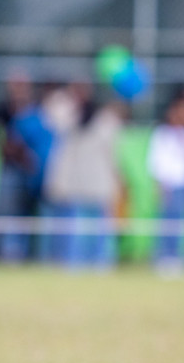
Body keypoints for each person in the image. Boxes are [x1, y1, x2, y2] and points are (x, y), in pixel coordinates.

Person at [43, 94, 127, 270]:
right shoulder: (74, 124)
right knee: (80, 233)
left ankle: (89, 264)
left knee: (91, 232)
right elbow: (51, 109)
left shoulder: (98, 125)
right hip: (84, 188)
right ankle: (85, 264)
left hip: (91, 188)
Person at [0, 73, 53, 261]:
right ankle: (9, 255)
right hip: (12, 172)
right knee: (10, 215)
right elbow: (2, 142)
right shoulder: (2, 111)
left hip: (35, 174)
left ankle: (36, 255)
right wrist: (21, 154)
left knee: (35, 217)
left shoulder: (37, 112)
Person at [147, 91, 184, 271]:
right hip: (169, 185)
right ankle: (165, 257)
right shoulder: (162, 134)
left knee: (181, 223)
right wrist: (160, 185)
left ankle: (178, 256)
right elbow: (156, 162)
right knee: (167, 222)